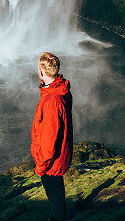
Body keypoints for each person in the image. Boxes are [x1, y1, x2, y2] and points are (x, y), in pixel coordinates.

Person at [30, 52, 73, 221]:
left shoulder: (51, 102)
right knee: (58, 198)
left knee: (55, 202)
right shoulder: (60, 89)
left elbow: (49, 141)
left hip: (50, 164)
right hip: (60, 157)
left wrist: (41, 167)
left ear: (41, 71)